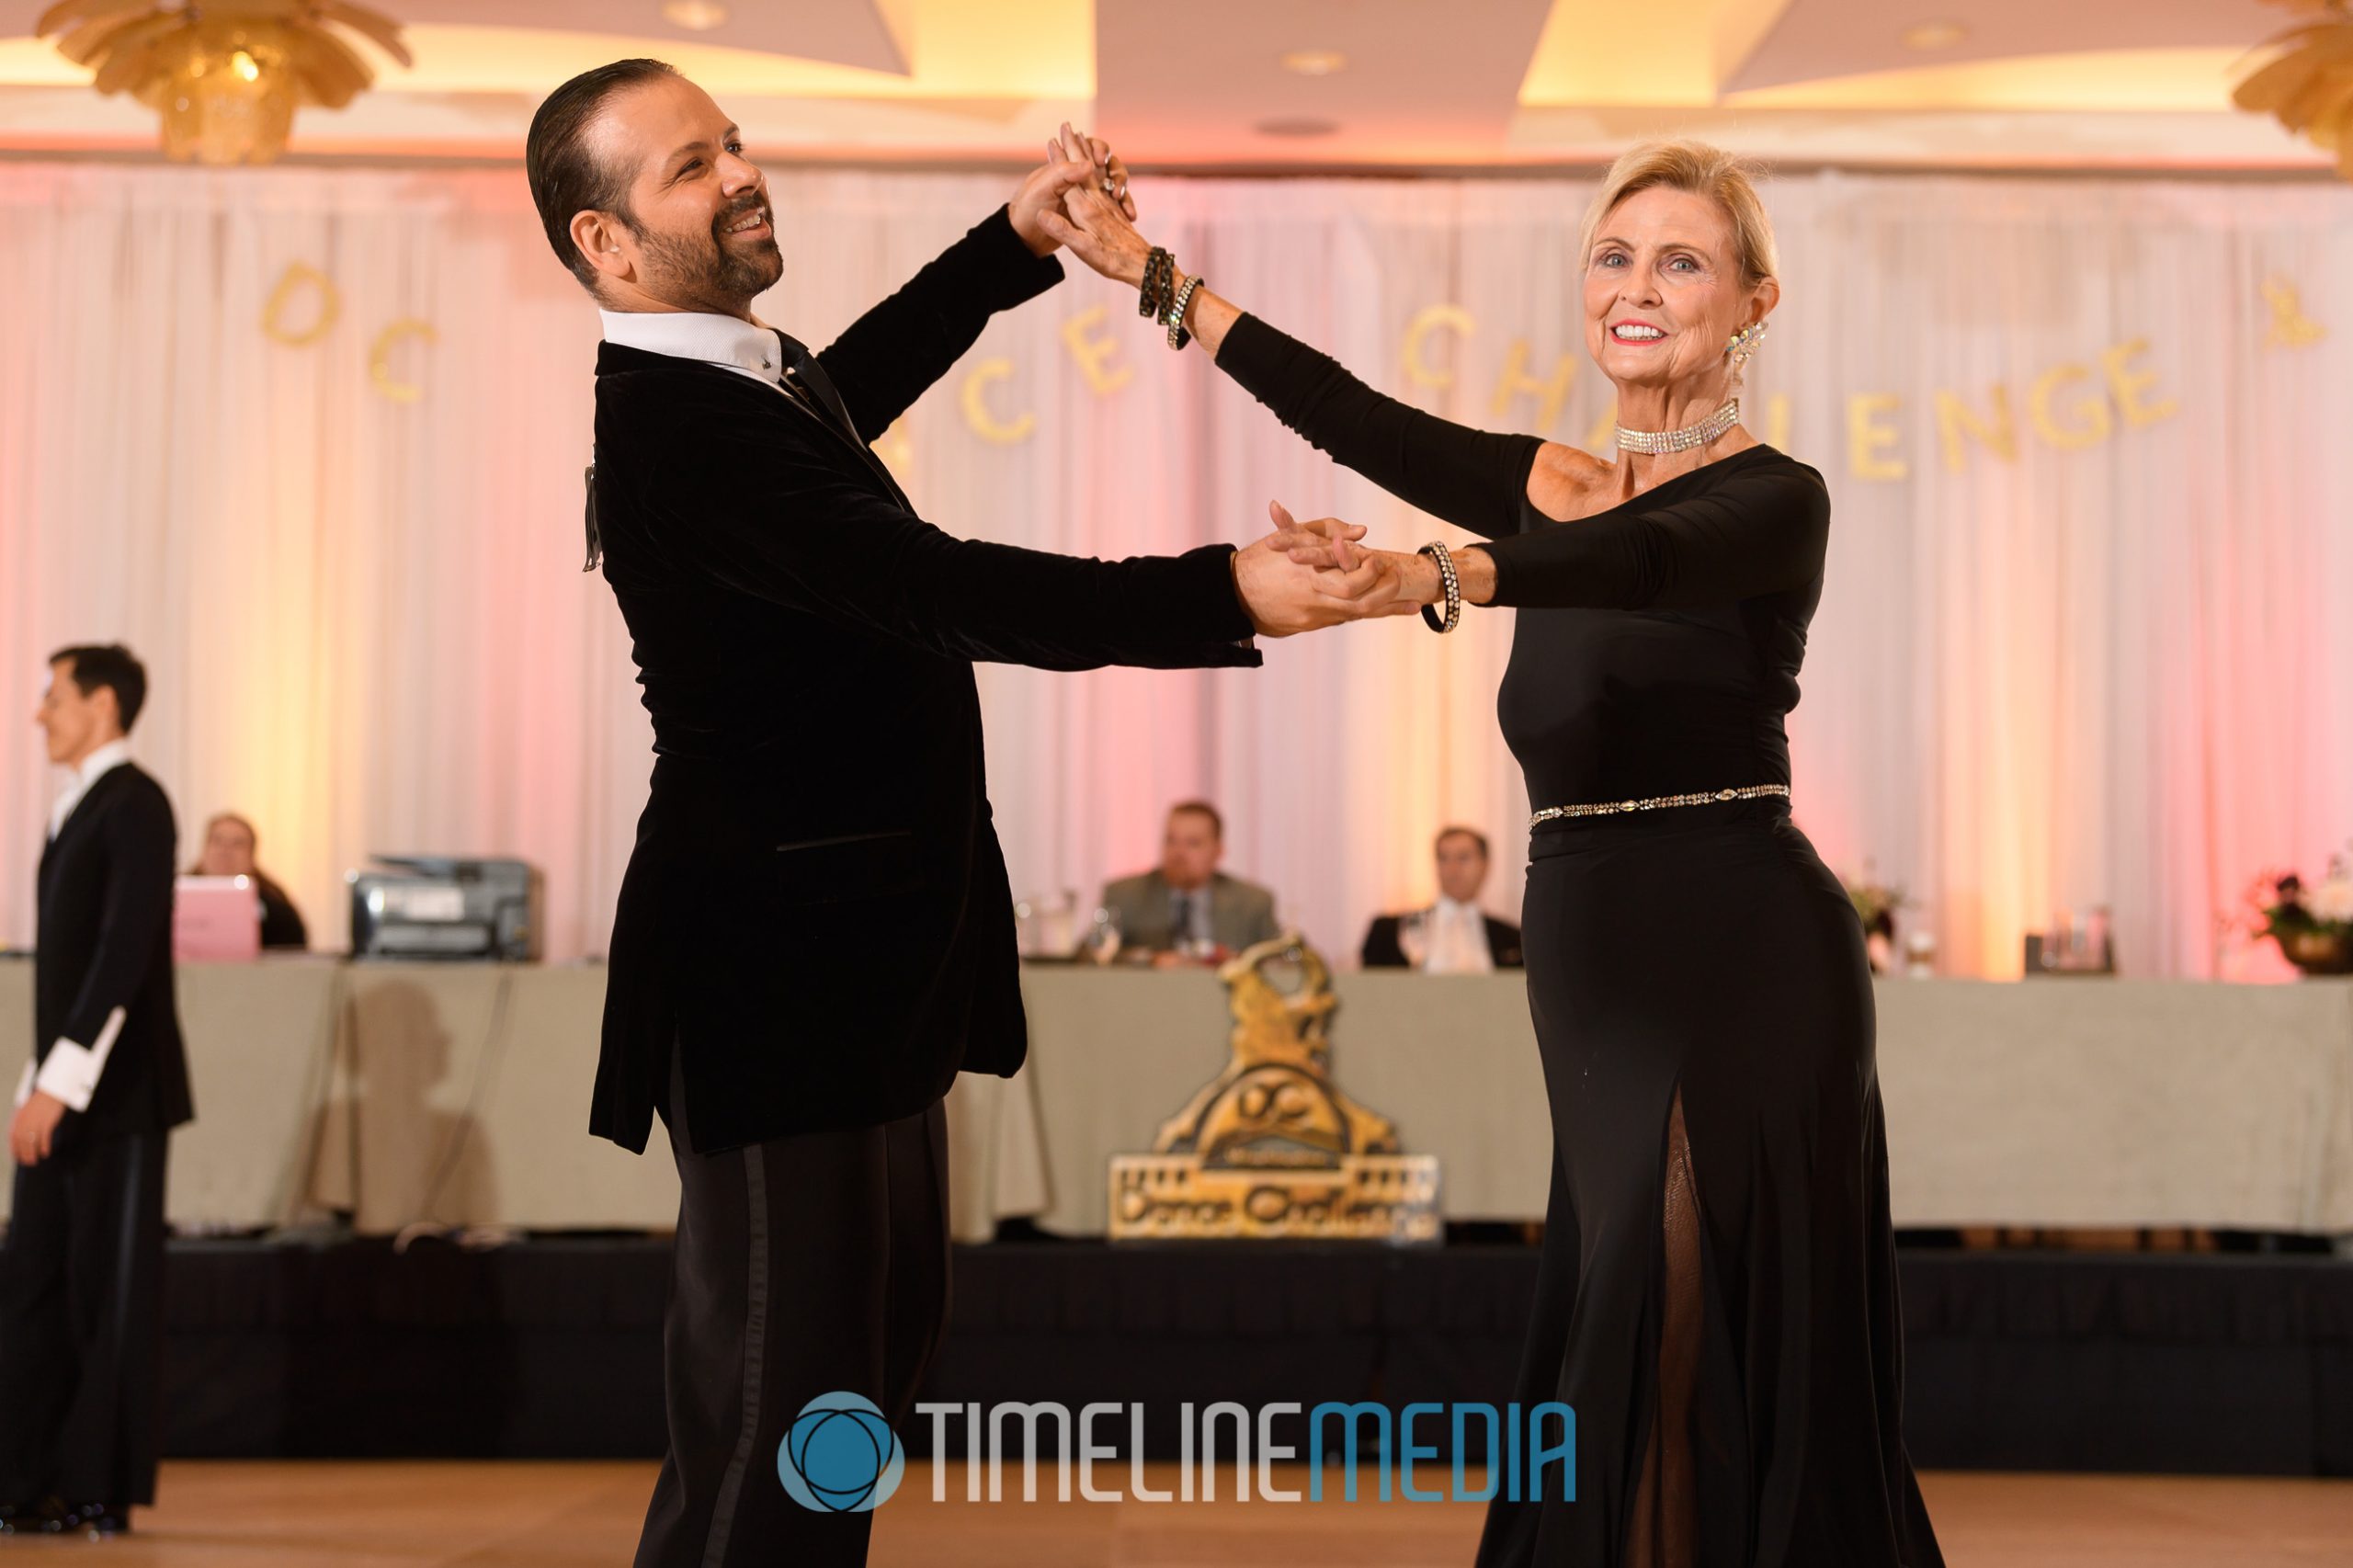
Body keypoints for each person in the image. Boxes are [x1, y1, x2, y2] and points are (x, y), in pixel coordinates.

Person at [1043, 135, 1946, 1565]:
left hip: (1747, 946)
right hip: (1589, 953)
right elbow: (1350, 416)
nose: (1634, 286)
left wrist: (1432, 575)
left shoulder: (1777, 498)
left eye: (1681, 259)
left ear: (1755, 302)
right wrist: (1153, 274)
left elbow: (1636, 561)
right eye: (1612, 253)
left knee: (1690, 1311)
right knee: (1620, 1312)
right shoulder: (1549, 482)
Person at [525, 63, 1342, 1568]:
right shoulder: (680, 428)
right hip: (777, 991)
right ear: (607, 245)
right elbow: (937, 588)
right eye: (694, 166)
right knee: (784, 1424)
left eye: (735, 143)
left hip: (855, 982)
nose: (742, 174)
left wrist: (1013, 242)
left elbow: (858, 381)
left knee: (849, 1402)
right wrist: (1224, 589)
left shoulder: (739, 375)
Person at [0, 645, 193, 1540]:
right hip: (64, 1089)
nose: (40, 712)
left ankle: (94, 1488)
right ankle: (24, 1479)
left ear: (103, 703)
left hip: (118, 1096)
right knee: (32, 1278)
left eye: (53, 696)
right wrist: (34, 1082)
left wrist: (63, 1081)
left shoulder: (138, 803)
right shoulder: (74, 806)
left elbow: (123, 953)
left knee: (105, 1293)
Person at [1099, 801, 1283, 959]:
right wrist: (1150, 960)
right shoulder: (1125, 896)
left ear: (1218, 851)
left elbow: (1282, 960)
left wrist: (1235, 961)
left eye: (1193, 843)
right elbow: (1092, 956)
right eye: (1171, 840)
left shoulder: (1252, 904)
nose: (1178, 853)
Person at [1361, 826, 1524, 971]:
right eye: (1443, 858)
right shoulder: (1391, 931)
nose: (1453, 869)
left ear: (1485, 864)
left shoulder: (1513, 939)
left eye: (1463, 858)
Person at [189, 812, 308, 950]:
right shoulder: (175, 894)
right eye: (217, 841)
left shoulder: (274, 903)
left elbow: (292, 950)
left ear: (252, 855)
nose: (225, 851)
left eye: (237, 844)